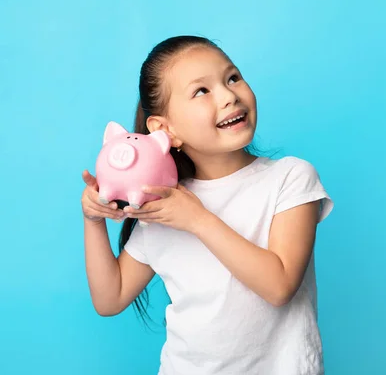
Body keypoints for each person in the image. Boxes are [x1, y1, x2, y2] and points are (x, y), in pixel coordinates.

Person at [80, 35, 334, 375]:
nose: (229, 95)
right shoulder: (166, 205)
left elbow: (280, 286)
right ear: (164, 129)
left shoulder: (290, 178)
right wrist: (93, 221)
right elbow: (110, 298)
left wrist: (198, 220)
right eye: (202, 91)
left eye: (232, 78)